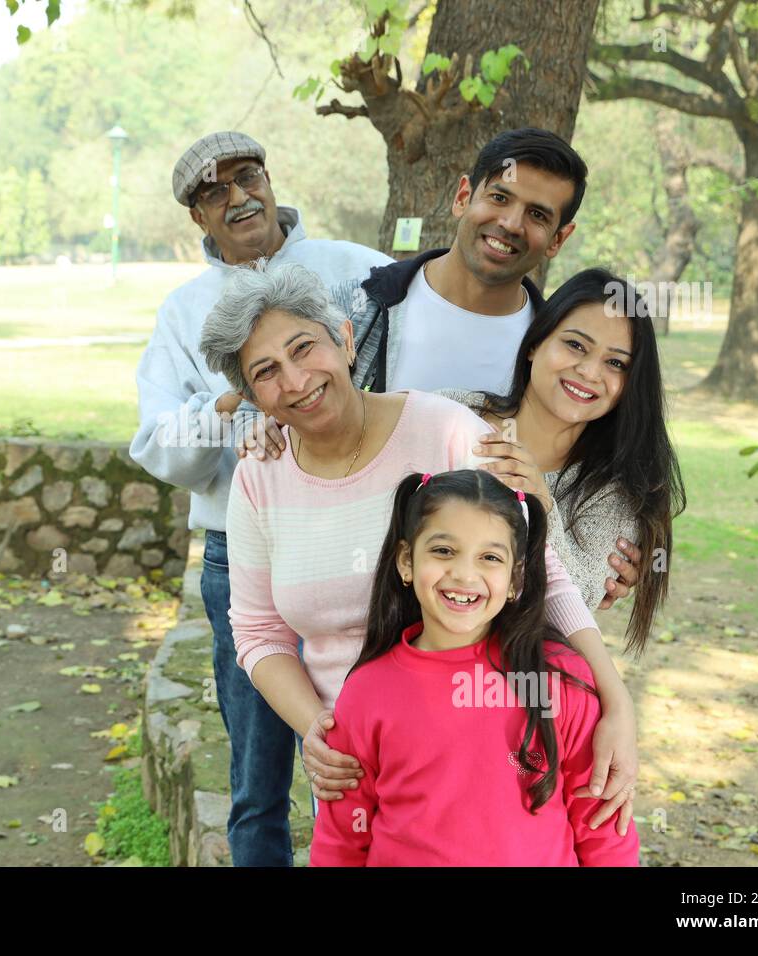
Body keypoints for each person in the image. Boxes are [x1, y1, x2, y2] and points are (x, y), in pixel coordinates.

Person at [200, 263, 638, 835]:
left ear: (346, 339)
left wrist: (616, 702)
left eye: (304, 348)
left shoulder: (448, 433)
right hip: (356, 764)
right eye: (267, 372)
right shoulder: (259, 476)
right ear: (252, 394)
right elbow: (258, 633)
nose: (296, 379)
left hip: (481, 751)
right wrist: (319, 731)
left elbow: (542, 575)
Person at [238, 127, 644, 612]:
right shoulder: (364, 307)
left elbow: (580, 483)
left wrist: (592, 561)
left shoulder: (560, 349)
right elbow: (298, 387)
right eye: (499, 197)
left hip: (471, 620)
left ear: (558, 239)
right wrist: (272, 426)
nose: (511, 223)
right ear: (463, 196)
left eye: (537, 215)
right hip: (343, 595)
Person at [128, 131, 391, 866]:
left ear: (270, 179)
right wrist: (234, 404)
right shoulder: (183, 315)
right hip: (239, 558)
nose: (239, 197)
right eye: (215, 193)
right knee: (257, 774)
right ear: (198, 218)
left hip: (359, 542)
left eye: (248, 178)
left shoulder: (359, 272)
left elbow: (411, 378)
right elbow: (157, 446)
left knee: (360, 754)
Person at [308, 469, 641, 866]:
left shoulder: (557, 681)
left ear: (516, 577)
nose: (465, 575)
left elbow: (603, 829)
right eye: (444, 551)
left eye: (490, 557)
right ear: (406, 561)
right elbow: (341, 841)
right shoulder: (367, 691)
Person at [437, 268, 686, 643]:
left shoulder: (612, 493)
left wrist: (541, 504)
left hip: (516, 681)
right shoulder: (451, 414)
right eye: (576, 345)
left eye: (616, 363)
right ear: (536, 343)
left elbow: (578, 605)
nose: (588, 371)